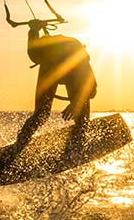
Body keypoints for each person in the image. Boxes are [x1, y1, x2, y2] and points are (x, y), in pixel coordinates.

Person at [15, 19, 97, 151]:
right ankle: (18, 146)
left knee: (81, 113)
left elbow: (92, 90)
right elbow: (33, 52)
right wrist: (34, 30)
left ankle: (79, 142)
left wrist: (75, 104)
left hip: (70, 64)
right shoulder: (42, 56)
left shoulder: (81, 65)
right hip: (50, 66)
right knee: (41, 114)